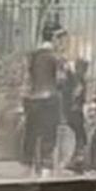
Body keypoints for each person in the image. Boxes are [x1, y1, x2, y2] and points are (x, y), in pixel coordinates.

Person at [22, 26, 66, 175]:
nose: (62, 43)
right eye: (60, 39)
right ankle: (46, 171)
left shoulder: (33, 55)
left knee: (32, 135)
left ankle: (29, 168)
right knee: (48, 136)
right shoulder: (55, 57)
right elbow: (61, 80)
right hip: (49, 99)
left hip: (33, 99)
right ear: (54, 38)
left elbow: (28, 78)